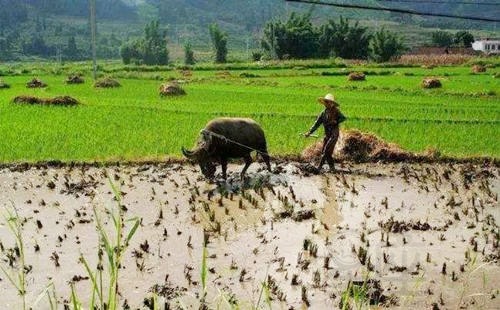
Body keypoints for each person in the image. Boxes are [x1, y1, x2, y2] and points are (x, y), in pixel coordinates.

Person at [304, 93, 346, 172]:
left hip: (334, 134)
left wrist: (336, 121)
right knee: (327, 153)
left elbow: (343, 118)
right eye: (326, 102)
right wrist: (309, 132)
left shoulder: (336, 111)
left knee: (326, 150)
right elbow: (316, 124)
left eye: (329, 102)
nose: (327, 103)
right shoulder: (323, 113)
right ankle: (332, 168)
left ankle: (319, 168)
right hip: (327, 134)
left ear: (332, 103)